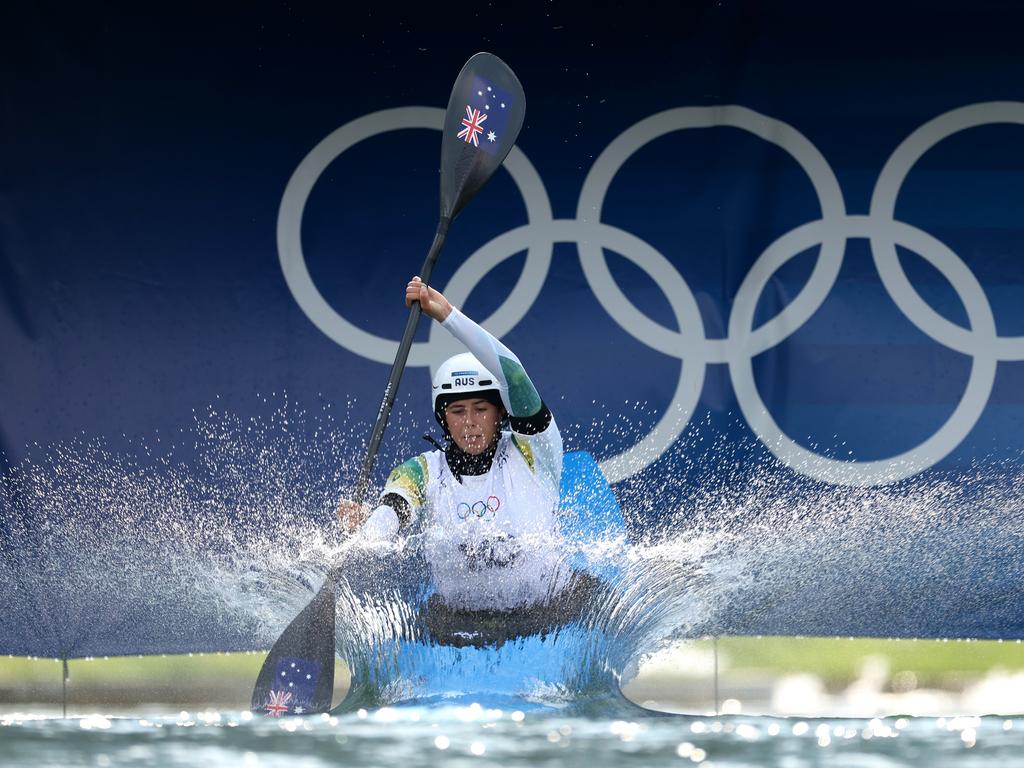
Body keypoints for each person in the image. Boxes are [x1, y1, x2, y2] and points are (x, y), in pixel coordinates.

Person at [338, 276, 591, 647]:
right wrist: (365, 536)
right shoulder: (421, 471)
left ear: (501, 412)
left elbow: (514, 375)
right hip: (461, 623)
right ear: (443, 418)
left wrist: (447, 316)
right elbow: (394, 510)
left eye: (480, 409)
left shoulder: (533, 453)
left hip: (552, 612)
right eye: (457, 411)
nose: (470, 421)